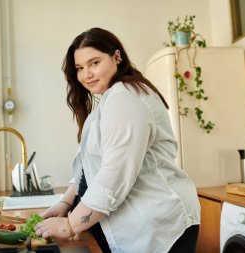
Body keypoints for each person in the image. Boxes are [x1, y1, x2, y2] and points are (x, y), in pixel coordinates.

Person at [35, 27, 200, 253]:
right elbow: (89, 165)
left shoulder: (126, 97)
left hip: (157, 224)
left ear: (116, 57)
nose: (86, 74)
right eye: (80, 68)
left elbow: (114, 174)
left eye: (94, 63)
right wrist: (66, 202)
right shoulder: (109, 100)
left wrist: (70, 225)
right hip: (139, 222)